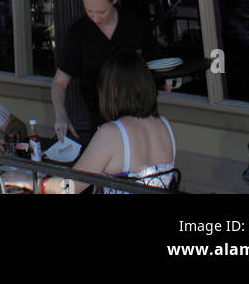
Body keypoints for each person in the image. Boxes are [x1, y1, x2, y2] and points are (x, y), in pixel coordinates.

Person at [13, 51, 177, 194]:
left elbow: (68, 188)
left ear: (109, 91)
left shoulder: (112, 133)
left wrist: (27, 180)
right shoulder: (165, 125)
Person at [52, 0, 153, 144]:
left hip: (140, 119)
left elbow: (154, 65)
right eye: (89, 11)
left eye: (102, 12)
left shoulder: (136, 25)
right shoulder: (79, 32)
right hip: (99, 121)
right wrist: (61, 115)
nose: (96, 18)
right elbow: (59, 83)